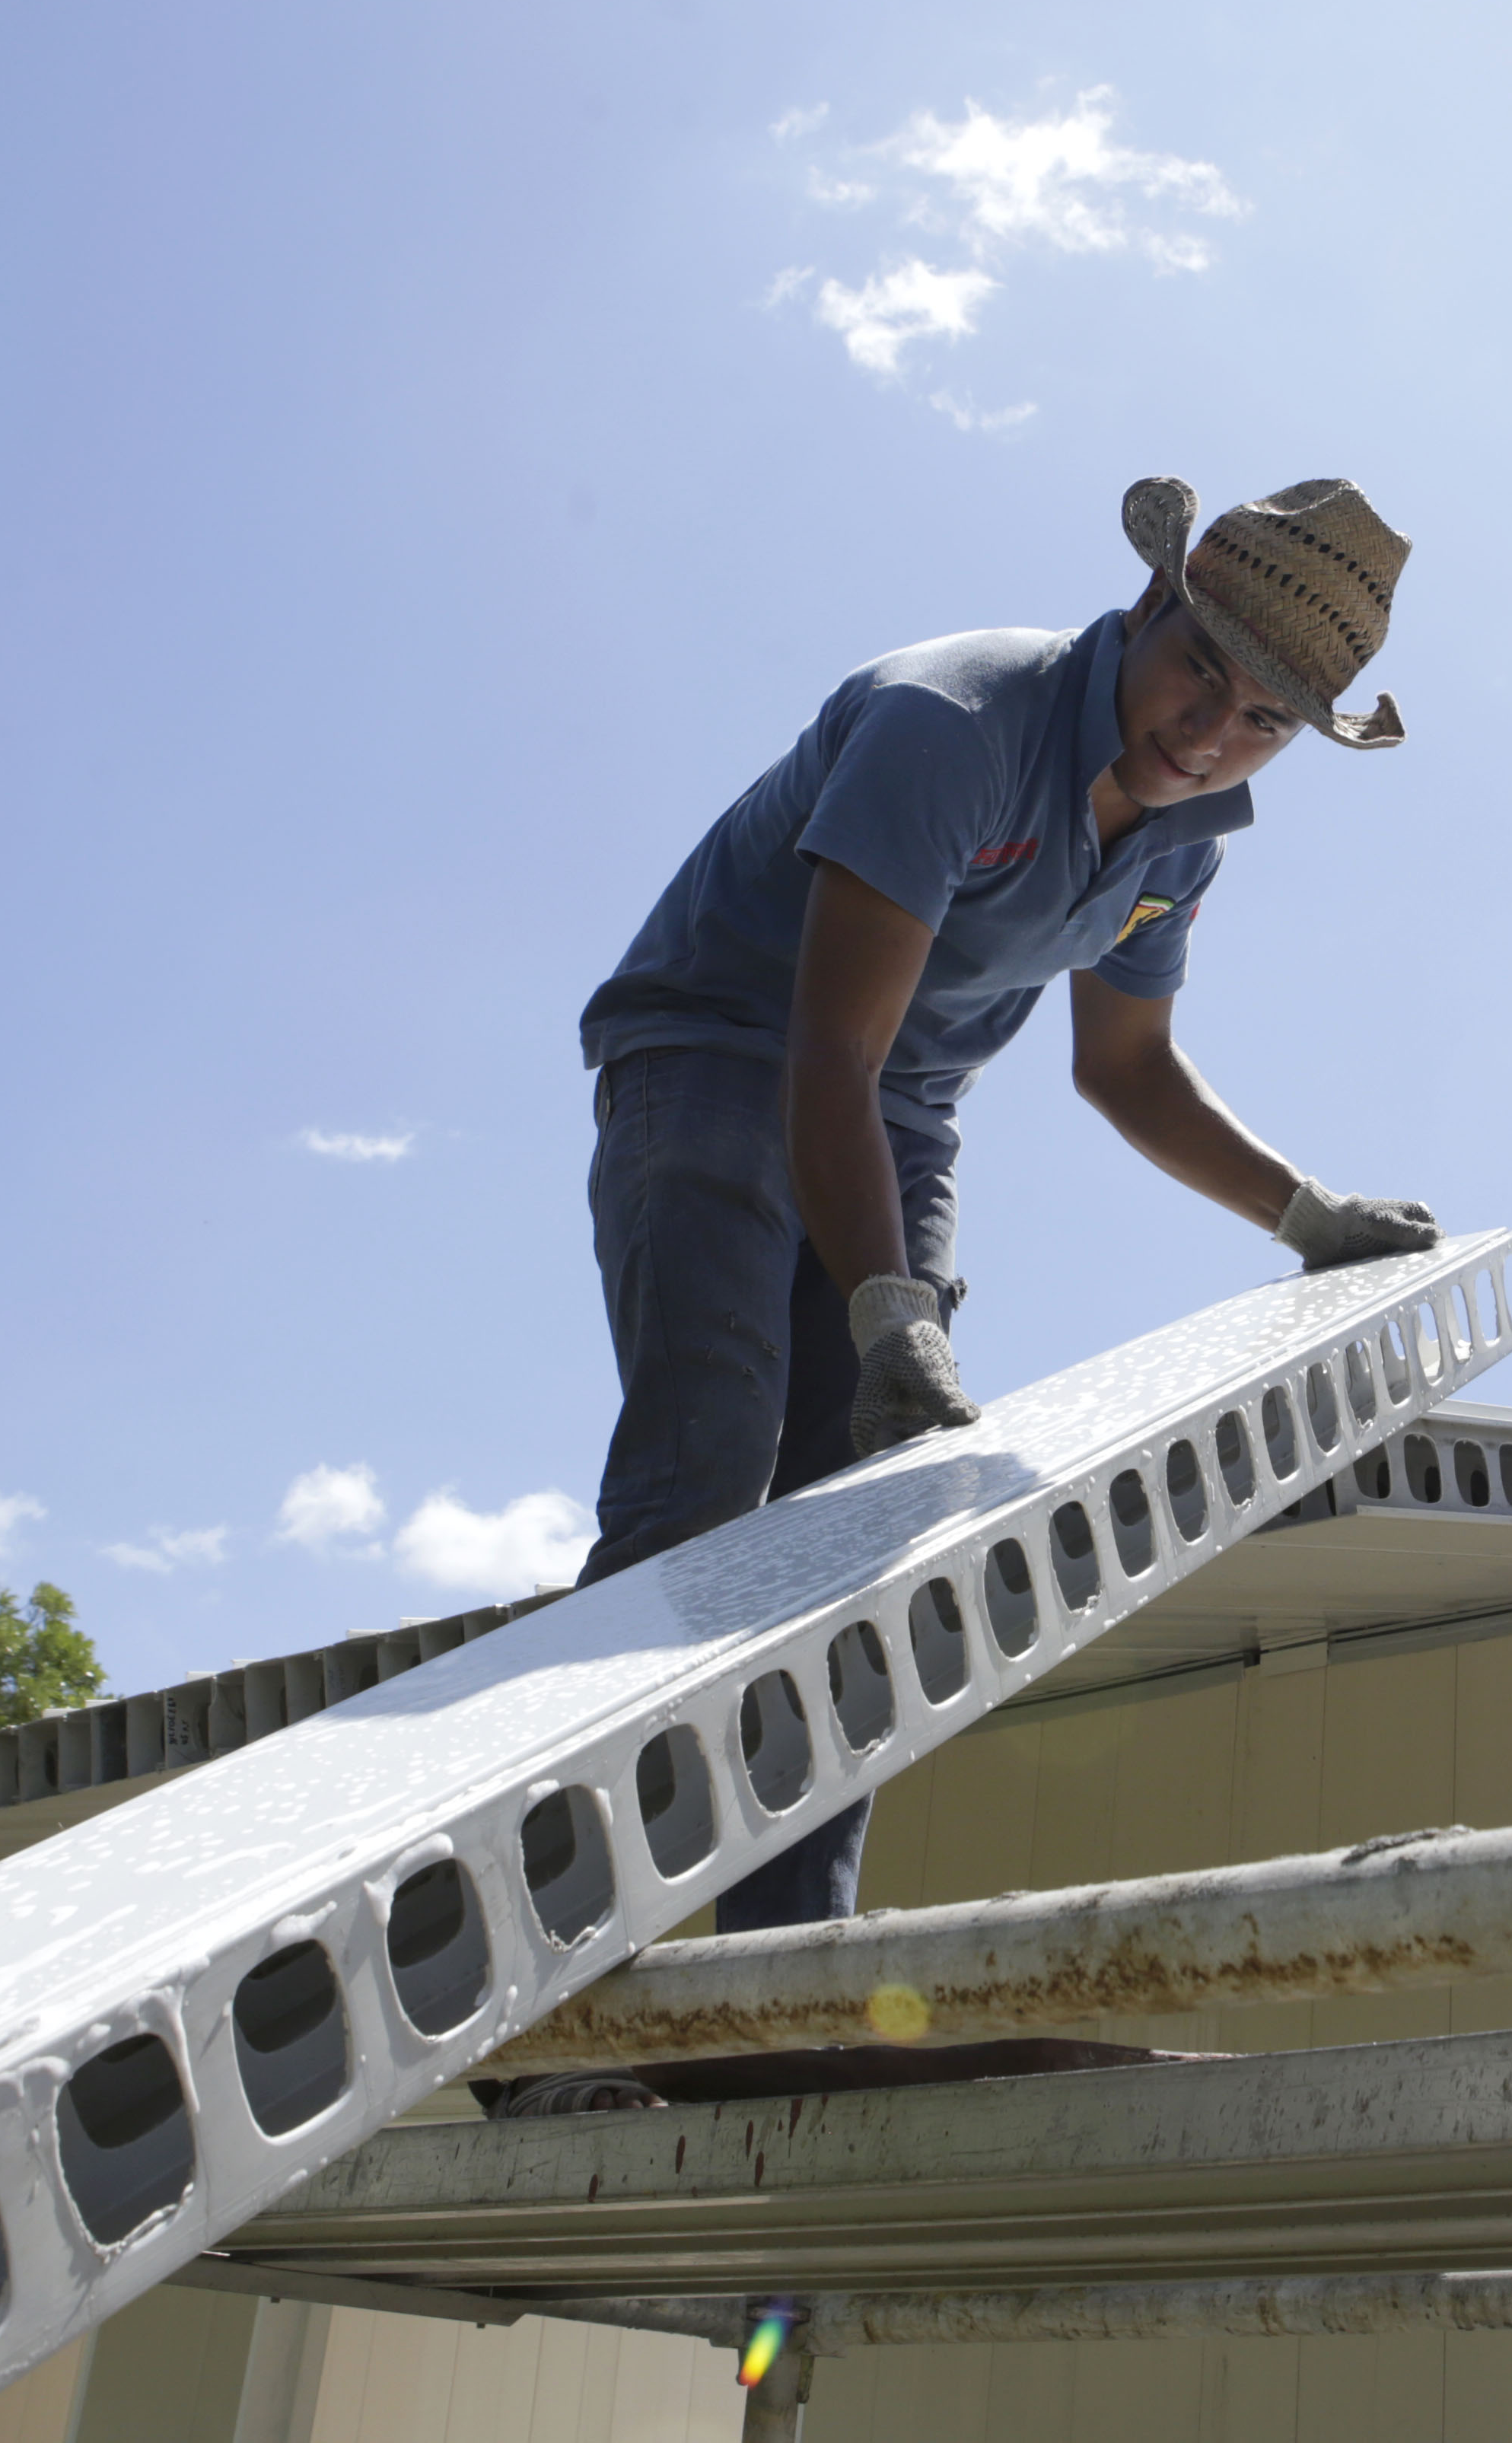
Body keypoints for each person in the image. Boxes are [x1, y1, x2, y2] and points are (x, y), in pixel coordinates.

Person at [571, 476, 1441, 1935]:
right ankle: (572, 1992)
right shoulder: (955, 724)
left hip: (898, 1117)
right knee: (707, 1486)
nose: (1207, 736)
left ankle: (777, 1994)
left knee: (859, 1545)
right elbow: (825, 1048)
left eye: (1264, 725)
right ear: (1149, 608)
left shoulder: (1185, 840)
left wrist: (1307, 1217)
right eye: (1199, 676)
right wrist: (889, 1309)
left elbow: (1131, 1069)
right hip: (722, 1053)